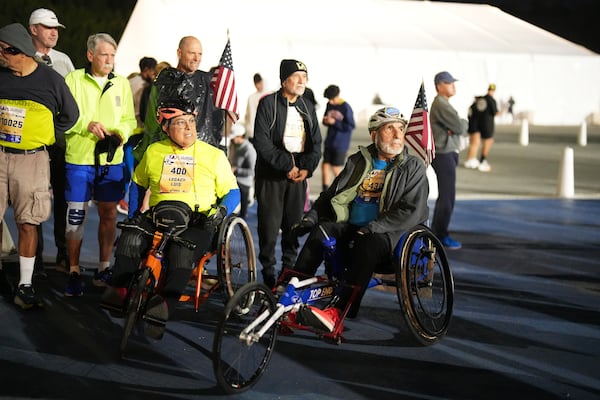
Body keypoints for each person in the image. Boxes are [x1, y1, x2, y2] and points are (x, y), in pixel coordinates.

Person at [103, 99, 240, 339]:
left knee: (181, 251)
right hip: (158, 215)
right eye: (180, 123)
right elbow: (138, 183)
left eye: (191, 122)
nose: (189, 128)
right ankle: (120, 288)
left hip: (198, 221)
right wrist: (136, 213)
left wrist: (220, 212)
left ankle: (164, 305)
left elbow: (233, 191)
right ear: (165, 127)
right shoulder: (154, 151)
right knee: (131, 237)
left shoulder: (214, 155)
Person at [290, 107, 429, 332]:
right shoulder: (358, 161)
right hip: (351, 227)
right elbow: (331, 195)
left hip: (388, 236)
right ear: (374, 135)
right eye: (389, 128)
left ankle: (338, 311)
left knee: (367, 243)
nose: (397, 134)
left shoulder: (412, 167)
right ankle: (290, 296)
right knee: (321, 232)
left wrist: (373, 227)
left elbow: (410, 210)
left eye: (401, 129)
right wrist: (310, 218)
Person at [0, 23, 79, 308]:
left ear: (17, 50)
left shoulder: (50, 80)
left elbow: (71, 115)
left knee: (27, 222)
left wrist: (44, 135)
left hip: (32, 159)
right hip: (0, 154)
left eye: (3, 50)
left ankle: (25, 284)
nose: (0, 55)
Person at [63, 33, 136, 296]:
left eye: (113, 56)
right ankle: (73, 270)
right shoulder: (73, 79)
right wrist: (86, 125)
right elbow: (64, 117)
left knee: (109, 214)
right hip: (79, 158)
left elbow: (129, 119)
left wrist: (121, 134)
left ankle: (104, 267)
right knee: (76, 217)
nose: (109, 60)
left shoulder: (122, 83)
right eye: (104, 55)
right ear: (91, 56)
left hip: (110, 159)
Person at [253, 59, 322, 288]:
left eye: (305, 77)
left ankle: (287, 272)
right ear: (284, 80)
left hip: (297, 177)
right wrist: (286, 165)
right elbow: (262, 143)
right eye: (297, 76)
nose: (302, 81)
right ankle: (269, 274)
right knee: (269, 228)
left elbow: (316, 144)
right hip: (271, 176)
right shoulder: (268, 104)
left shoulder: (307, 106)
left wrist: (306, 168)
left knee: (293, 227)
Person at [29, 8, 76, 273]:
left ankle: (62, 252)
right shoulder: (20, 58)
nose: (54, 32)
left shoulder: (63, 61)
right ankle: (33, 255)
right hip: (31, 142)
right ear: (33, 29)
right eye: (48, 27)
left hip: (58, 143)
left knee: (62, 199)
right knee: (33, 199)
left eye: (56, 28)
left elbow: (73, 101)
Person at [133, 36, 224, 164]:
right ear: (179, 53)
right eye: (192, 53)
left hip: (200, 158)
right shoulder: (164, 82)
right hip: (168, 156)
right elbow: (152, 123)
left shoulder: (207, 83)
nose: (196, 58)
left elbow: (216, 122)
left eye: (200, 54)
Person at [430, 71, 467, 250]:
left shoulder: (444, 104)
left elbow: (456, 128)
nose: (453, 85)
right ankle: (440, 234)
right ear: (439, 86)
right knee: (447, 196)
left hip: (447, 151)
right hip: (443, 152)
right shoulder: (441, 104)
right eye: (448, 82)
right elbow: (460, 126)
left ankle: (438, 232)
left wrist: (456, 127)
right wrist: (461, 123)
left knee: (447, 195)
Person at [119, 57, 158, 215]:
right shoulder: (142, 85)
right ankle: (127, 200)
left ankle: (125, 198)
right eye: (153, 71)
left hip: (131, 129)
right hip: (137, 129)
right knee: (134, 168)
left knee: (130, 166)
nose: (154, 74)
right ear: (147, 70)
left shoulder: (130, 82)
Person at [321, 84, 355, 191]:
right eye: (328, 99)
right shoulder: (329, 105)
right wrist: (326, 121)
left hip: (340, 144)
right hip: (329, 142)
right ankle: (325, 191)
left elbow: (351, 126)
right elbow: (326, 119)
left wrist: (335, 122)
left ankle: (342, 190)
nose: (330, 101)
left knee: (335, 168)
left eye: (332, 99)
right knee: (325, 165)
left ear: (337, 96)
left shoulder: (346, 107)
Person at [464, 83, 499, 172]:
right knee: (484, 141)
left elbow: (472, 112)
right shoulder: (491, 100)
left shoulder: (480, 101)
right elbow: (495, 112)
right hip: (486, 125)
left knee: (475, 142)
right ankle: (481, 159)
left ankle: (471, 159)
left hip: (476, 124)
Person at [228, 123, 256, 219]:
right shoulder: (237, 147)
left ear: (240, 136)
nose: (232, 139)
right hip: (235, 180)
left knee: (242, 212)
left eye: (234, 137)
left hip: (244, 183)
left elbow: (252, 171)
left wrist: (236, 170)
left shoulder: (249, 149)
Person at [244, 73, 266, 142]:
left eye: (260, 83)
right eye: (257, 84)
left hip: (265, 132)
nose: (259, 86)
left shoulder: (269, 95)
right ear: (255, 84)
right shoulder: (251, 98)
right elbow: (247, 116)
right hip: (253, 132)